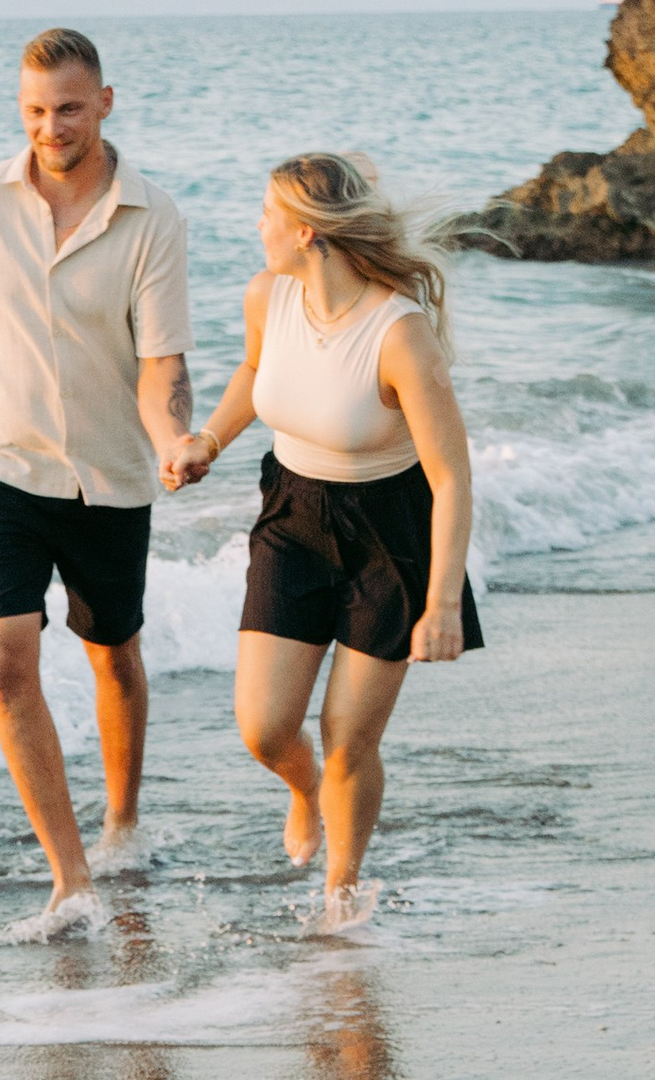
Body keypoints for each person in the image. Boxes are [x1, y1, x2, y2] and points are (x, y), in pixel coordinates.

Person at [0, 27, 198, 941]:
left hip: (109, 475)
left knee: (112, 650)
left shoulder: (152, 218)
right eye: (35, 110)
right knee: (7, 662)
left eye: (67, 107)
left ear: (104, 103)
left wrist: (172, 437)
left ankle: (123, 820)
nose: (51, 126)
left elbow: (161, 358)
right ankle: (71, 879)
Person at [169, 150, 478, 932]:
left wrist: (440, 603)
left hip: (391, 532)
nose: (258, 227)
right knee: (265, 727)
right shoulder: (267, 297)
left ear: (307, 232)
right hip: (294, 518)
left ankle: (341, 898)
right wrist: (209, 437)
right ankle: (303, 792)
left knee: (348, 738)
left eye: (267, 215)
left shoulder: (398, 334)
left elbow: (451, 479)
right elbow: (252, 368)